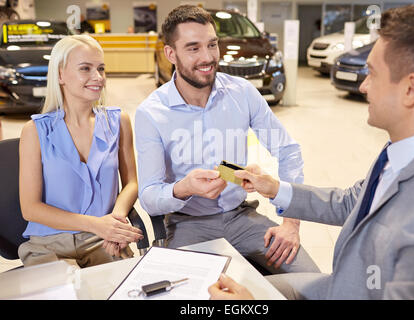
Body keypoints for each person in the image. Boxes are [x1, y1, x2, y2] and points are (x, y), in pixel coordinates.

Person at [209, 4, 414, 300]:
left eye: (372, 74)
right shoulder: (403, 149)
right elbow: (352, 202)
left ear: (411, 89)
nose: (363, 86)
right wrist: (275, 189)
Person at [135, 5, 318, 274]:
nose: (208, 57)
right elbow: (149, 196)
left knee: (312, 282)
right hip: (187, 225)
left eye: (212, 45)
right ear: (170, 54)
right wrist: (184, 188)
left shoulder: (241, 92)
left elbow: (288, 150)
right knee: (192, 297)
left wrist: (291, 223)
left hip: (241, 216)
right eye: (193, 48)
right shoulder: (151, 113)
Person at [18, 34, 143, 268]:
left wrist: (115, 222)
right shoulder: (35, 131)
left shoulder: (119, 121)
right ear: (60, 75)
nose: (98, 77)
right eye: (85, 68)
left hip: (103, 240)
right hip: (49, 243)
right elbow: (30, 208)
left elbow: (131, 184)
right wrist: (96, 224)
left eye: (101, 68)